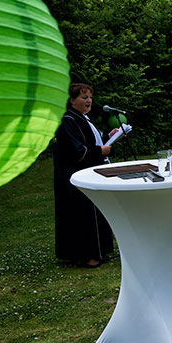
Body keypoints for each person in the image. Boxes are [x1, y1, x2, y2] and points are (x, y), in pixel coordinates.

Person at [53, 82, 114, 267]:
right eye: (84, 97)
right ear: (72, 101)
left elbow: (88, 142)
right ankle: (87, 256)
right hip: (72, 176)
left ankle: (99, 251)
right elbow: (77, 150)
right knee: (81, 215)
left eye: (90, 97)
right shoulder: (67, 120)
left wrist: (107, 138)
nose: (89, 101)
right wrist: (100, 151)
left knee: (94, 211)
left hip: (85, 172)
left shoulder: (81, 118)